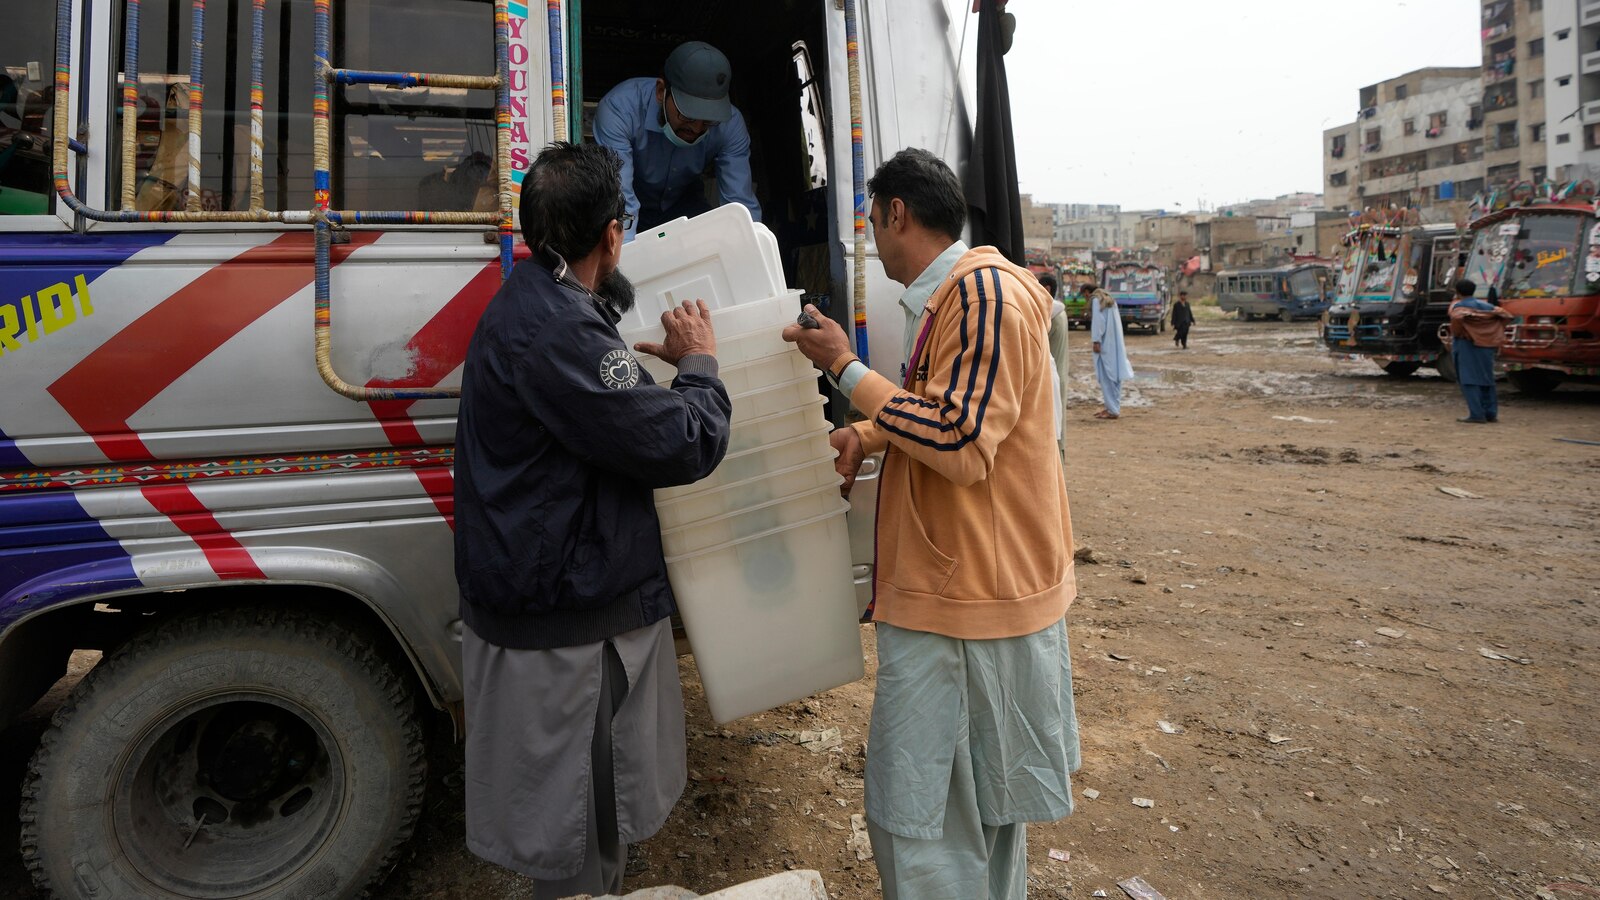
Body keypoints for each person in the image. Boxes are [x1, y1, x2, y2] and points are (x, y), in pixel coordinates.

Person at [782, 148, 1079, 900]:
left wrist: (845, 369)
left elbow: (962, 439)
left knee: (924, 824)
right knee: (977, 820)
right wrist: (868, 434)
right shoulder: (957, 297)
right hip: (971, 598)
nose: (872, 240)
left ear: (896, 214)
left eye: (872, 222)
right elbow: (949, 405)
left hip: (968, 606)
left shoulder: (982, 296)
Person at [453, 141, 732, 899]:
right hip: (568, 629)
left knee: (587, 828)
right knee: (577, 839)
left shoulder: (535, 305)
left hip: (544, 606)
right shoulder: (561, 331)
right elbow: (682, 441)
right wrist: (700, 363)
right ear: (612, 235)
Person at [593, 41, 761, 240]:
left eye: (708, 119)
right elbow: (621, 206)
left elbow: (740, 208)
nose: (697, 129)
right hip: (633, 202)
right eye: (687, 115)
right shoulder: (619, 109)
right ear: (661, 91)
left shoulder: (730, 124)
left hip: (686, 206)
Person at [1447, 278, 1512, 424]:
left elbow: (1456, 326)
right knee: (1486, 378)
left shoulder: (1458, 306)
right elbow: (1507, 316)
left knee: (1468, 380)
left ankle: (1476, 414)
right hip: (1486, 346)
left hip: (1466, 345)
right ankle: (1491, 413)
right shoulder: (1487, 306)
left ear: (1457, 292)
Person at [1087, 283, 1133, 419]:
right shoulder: (1109, 300)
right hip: (1115, 344)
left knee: (1106, 376)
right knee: (1115, 376)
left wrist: (1096, 340)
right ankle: (1112, 407)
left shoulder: (1097, 300)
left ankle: (1112, 410)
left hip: (1104, 344)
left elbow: (1098, 322)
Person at [1037, 271, 1069, 459]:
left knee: (1054, 438)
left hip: (1052, 382)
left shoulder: (1053, 314)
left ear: (1047, 289)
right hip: (1058, 379)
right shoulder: (1059, 313)